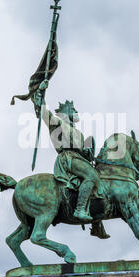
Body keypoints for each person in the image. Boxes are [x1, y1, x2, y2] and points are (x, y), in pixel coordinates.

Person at [31, 80, 110, 239]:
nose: (76, 112)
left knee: (100, 183)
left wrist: (89, 151)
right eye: (73, 109)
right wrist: (40, 92)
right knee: (91, 177)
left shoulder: (77, 133)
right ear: (66, 111)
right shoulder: (58, 123)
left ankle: (97, 223)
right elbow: (43, 112)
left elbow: (84, 153)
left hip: (78, 159)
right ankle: (80, 209)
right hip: (67, 159)